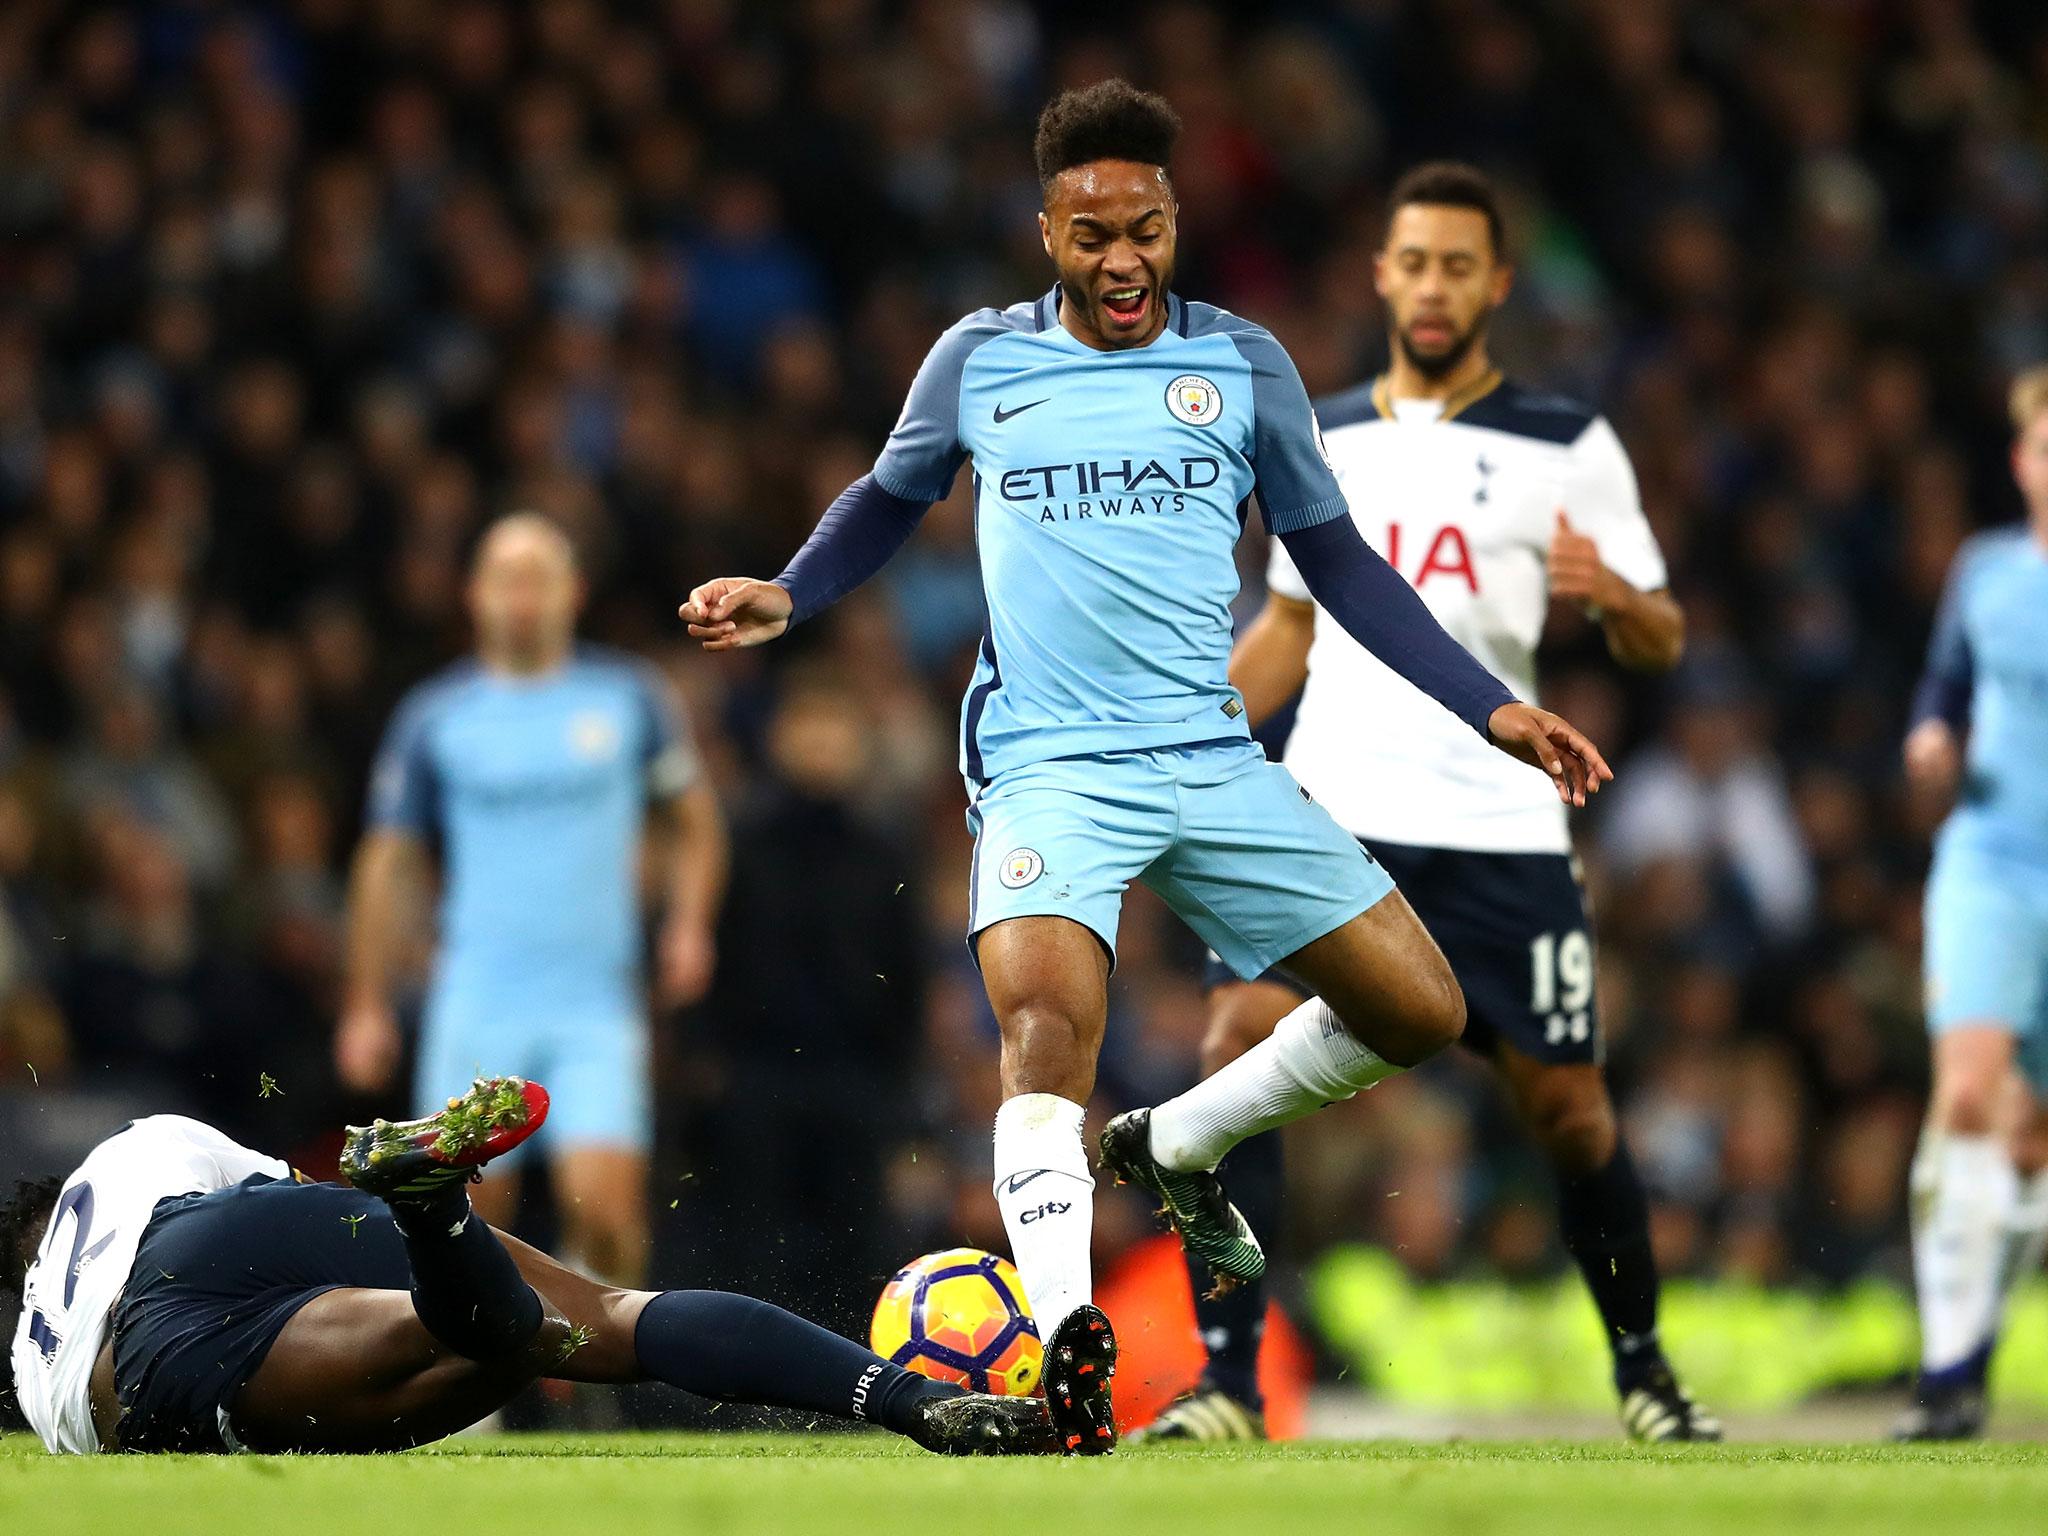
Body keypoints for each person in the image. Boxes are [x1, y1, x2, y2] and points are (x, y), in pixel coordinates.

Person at [680, 82, 1611, 1454]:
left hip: (1208, 751)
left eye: (1151, 231)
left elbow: (1342, 563)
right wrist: (789, 593)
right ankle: (1068, 1353)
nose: (1124, 261)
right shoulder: (978, 362)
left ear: (1178, 224)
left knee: (1420, 1010)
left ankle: (1178, 1145)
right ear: (1046, 229)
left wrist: (1491, 708)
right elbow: (889, 499)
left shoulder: (1242, 365)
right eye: (1094, 233)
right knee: (1047, 1035)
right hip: (1049, 761)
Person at [1128, 162, 1716, 1445]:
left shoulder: (1567, 443)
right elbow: (1287, 629)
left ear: (1496, 284)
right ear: (1381, 275)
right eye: (1414, 262)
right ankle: (1228, 1386)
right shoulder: (1318, 432)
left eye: (1459, 264)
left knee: (1568, 1110)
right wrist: (1167, 746)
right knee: (1231, 1040)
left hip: (1500, 828)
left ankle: (1644, 1371)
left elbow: (1660, 634)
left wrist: (1618, 604)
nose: (1434, 284)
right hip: (1331, 814)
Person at [2, 1076, 1051, 1456]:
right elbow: (289, 1201)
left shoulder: (29, 1346)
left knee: (471, 1340)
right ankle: (914, 1401)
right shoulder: (137, 1146)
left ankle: (433, 1213)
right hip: (221, 1219)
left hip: (150, 1358)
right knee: (598, 1317)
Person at [337, 514, 728, 1290]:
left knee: (609, 1215)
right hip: (477, 996)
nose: (522, 597)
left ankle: (594, 1399)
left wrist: (690, 924)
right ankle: (475, 1411)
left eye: (539, 578)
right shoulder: (435, 717)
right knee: (474, 1220)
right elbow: (387, 861)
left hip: (595, 1000)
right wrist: (367, 1001)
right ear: (474, 595)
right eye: (505, 579)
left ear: (572, 592)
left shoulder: (626, 699)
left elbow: (695, 821)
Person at [1895, 364, 2048, 1440]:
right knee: (1963, 1095)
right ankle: (1947, 1375)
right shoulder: (1984, 570)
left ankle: (1977, 1338)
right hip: (1989, 856)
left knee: (2029, 1137)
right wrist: (1929, 746)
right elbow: (1941, 690)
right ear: (2021, 458)